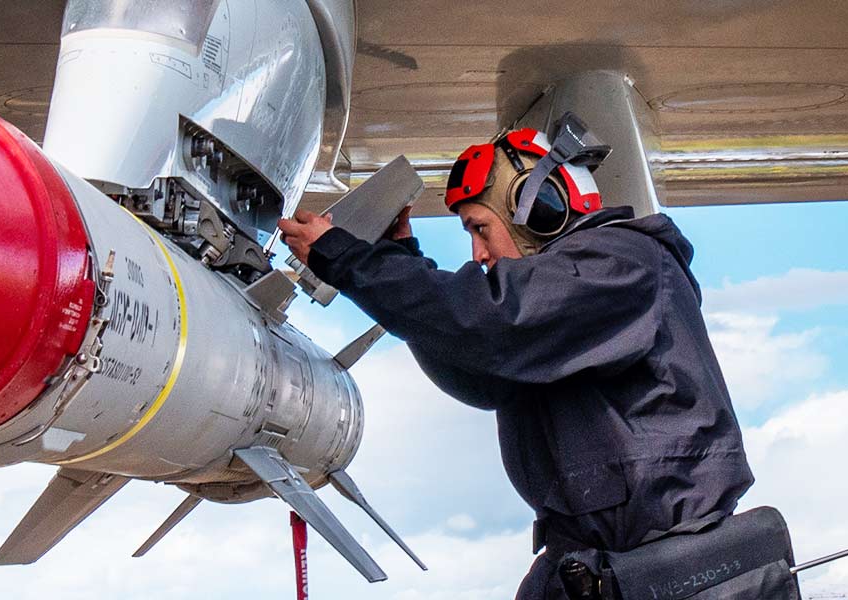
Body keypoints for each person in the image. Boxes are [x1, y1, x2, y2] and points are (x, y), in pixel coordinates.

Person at [276, 120, 755, 599]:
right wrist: (402, 259)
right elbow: (479, 371)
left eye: (480, 228)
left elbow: (492, 321)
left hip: (665, 564)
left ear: (540, 209)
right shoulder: (562, 313)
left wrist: (346, 257)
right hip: (598, 563)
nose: (478, 253)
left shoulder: (622, 263)